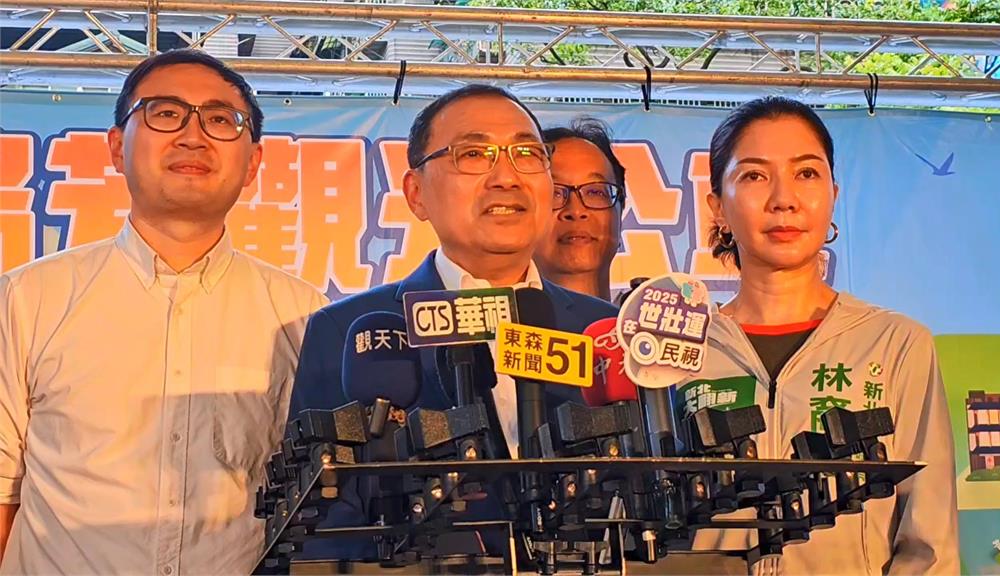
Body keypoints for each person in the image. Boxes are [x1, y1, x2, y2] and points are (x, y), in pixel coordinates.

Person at [0, 49, 327, 574]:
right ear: (116, 147)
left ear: (253, 164)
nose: (193, 136)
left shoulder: (304, 316)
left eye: (220, 119)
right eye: (166, 113)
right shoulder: (26, 299)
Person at [290, 84, 619, 559]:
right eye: (474, 154)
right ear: (416, 193)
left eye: (527, 154)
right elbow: (320, 524)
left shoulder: (607, 332)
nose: (506, 176)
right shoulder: (347, 331)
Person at [681, 96, 958, 574]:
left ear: (833, 193)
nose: (783, 199)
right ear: (718, 206)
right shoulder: (678, 352)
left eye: (806, 173)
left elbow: (928, 545)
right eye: (754, 175)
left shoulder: (895, 343)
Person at [534, 118, 626, 302]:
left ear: (620, 210)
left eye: (595, 192)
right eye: (555, 192)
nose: (576, 211)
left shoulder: (648, 319)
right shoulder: (492, 318)